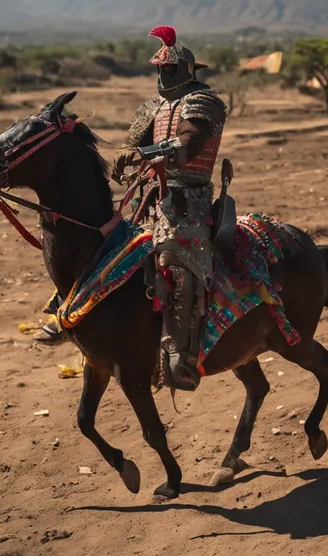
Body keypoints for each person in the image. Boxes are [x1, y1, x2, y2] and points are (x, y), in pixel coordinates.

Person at [112, 26, 226, 391]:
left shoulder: (204, 101)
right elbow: (131, 143)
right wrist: (124, 156)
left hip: (187, 200)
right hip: (149, 197)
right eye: (158, 70)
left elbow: (188, 144)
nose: (162, 76)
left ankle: (183, 354)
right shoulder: (152, 107)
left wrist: (143, 153)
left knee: (177, 260)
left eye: (168, 69)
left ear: (188, 71)